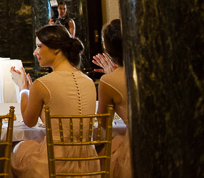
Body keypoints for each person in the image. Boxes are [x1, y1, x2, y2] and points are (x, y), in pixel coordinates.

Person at [9, 25, 97, 178]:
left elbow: (29, 121)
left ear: (56, 49)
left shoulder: (43, 84)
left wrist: (24, 88)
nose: (35, 52)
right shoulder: (89, 81)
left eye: (39, 46)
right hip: (90, 163)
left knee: (18, 151)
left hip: (56, 164)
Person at [95, 19, 131, 178]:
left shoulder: (109, 81)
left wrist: (111, 77)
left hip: (135, 147)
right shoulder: (153, 69)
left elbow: (103, 123)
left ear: (108, 49)